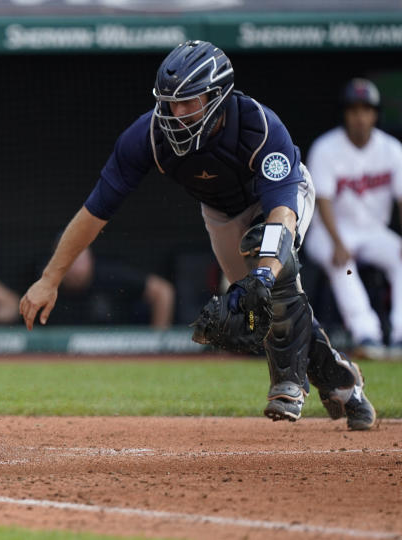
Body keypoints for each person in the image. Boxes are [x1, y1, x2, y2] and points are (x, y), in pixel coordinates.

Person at [20, 40, 376, 430]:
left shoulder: (258, 125)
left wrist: (263, 273)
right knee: (258, 305)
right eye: (171, 102)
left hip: (282, 202)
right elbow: (95, 211)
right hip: (221, 215)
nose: (177, 112)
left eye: (190, 101)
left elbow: (281, 213)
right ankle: (342, 381)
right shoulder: (150, 136)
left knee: (268, 268)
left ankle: (289, 384)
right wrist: (50, 279)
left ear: (219, 96)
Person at [303, 78, 402, 361]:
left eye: (366, 110)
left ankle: (399, 336)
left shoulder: (391, 149)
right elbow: (322, 201)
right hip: (329, 231)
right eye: (354, 110)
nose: (360, 117)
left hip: (372, 232)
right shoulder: (326, 147)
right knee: (343, 264)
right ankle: (366, 333)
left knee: (400, 258)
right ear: (345, 114)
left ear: (375, 114)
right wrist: (337, 242)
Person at [48, 247, 174, 329]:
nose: (76, 267)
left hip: (121, 349)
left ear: (91, 259)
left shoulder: (110, 275)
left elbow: (163, 291)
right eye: (69, 260)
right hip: (64, 356)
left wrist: (158, 341)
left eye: (80, 259)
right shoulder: (45, 286)